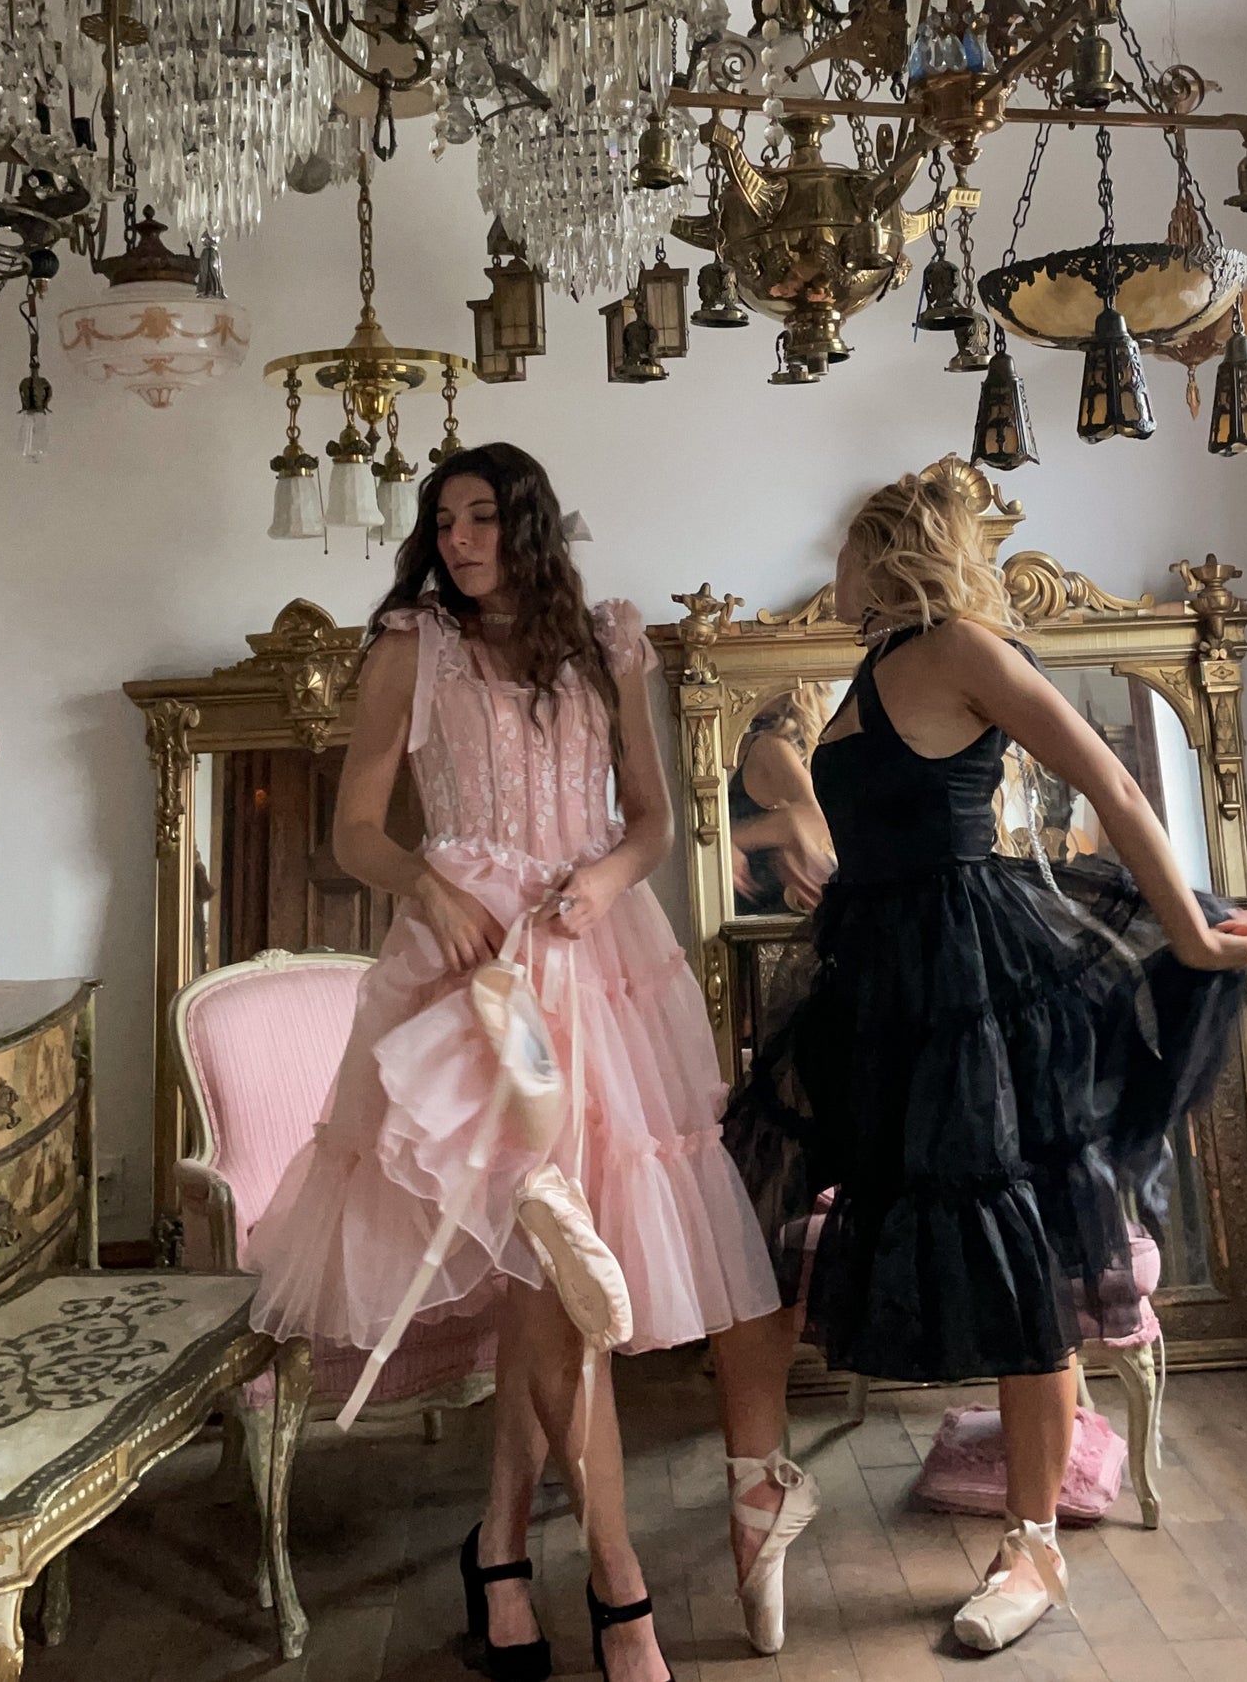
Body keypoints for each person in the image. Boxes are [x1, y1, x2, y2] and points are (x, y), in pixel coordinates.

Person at [247, 443, 784, 1682]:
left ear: (528, 523)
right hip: (468, 982)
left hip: (599, 971)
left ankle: (500, 1553)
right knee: (543, 1271)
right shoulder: (411, 647)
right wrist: (429, 885)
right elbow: (356, 831)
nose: (459, 538)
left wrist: (601, 878)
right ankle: (618, 1583)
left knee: (549, 1285)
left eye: (483, 516)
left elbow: (651, 819)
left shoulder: (607, 644)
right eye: (444, 519)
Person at [718, 470, 1247, 1656]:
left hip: (968, 981)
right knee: (747, 1201)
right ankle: (759, 1490)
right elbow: (841, 807)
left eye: (847, 548)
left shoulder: (965, 646)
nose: (834, 568)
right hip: (872, 980)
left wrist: (1185, 933)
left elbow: (1110, 782)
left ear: (887, 550)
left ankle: (1033, 1545)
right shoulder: (872, 665)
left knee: (1021, 1251)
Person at [728, 683, 836, 914]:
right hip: (771, 903)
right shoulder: (762, 743)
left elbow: (815, 818)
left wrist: (730, 840)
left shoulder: (769, 747)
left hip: (764, 905)